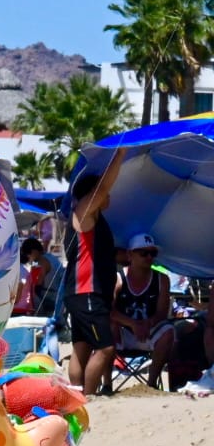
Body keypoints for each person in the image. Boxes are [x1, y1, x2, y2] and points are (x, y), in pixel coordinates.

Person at [63, 155, 124, 396]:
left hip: (81, 293)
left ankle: (76, 396)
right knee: (106, 348)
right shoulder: (83, 214)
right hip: (86, 292)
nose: (108, 197)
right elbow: (103, 187)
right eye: (101, 194)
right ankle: (88, 399)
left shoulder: (92, 221)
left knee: (81, 348)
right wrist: (119, 155)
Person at [112, 234, 174, 388]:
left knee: (169, 331)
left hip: (148, 330)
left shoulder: (162, 279)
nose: (148, 257)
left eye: (152, 253)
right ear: (130, 254)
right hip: (122, 332)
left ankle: (151, 384)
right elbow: (108, 310)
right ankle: (107, 383)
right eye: (143, 253)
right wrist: (133, 324)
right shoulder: (118, 278)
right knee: (106, 325)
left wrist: (146, 324)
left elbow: (161, 313)